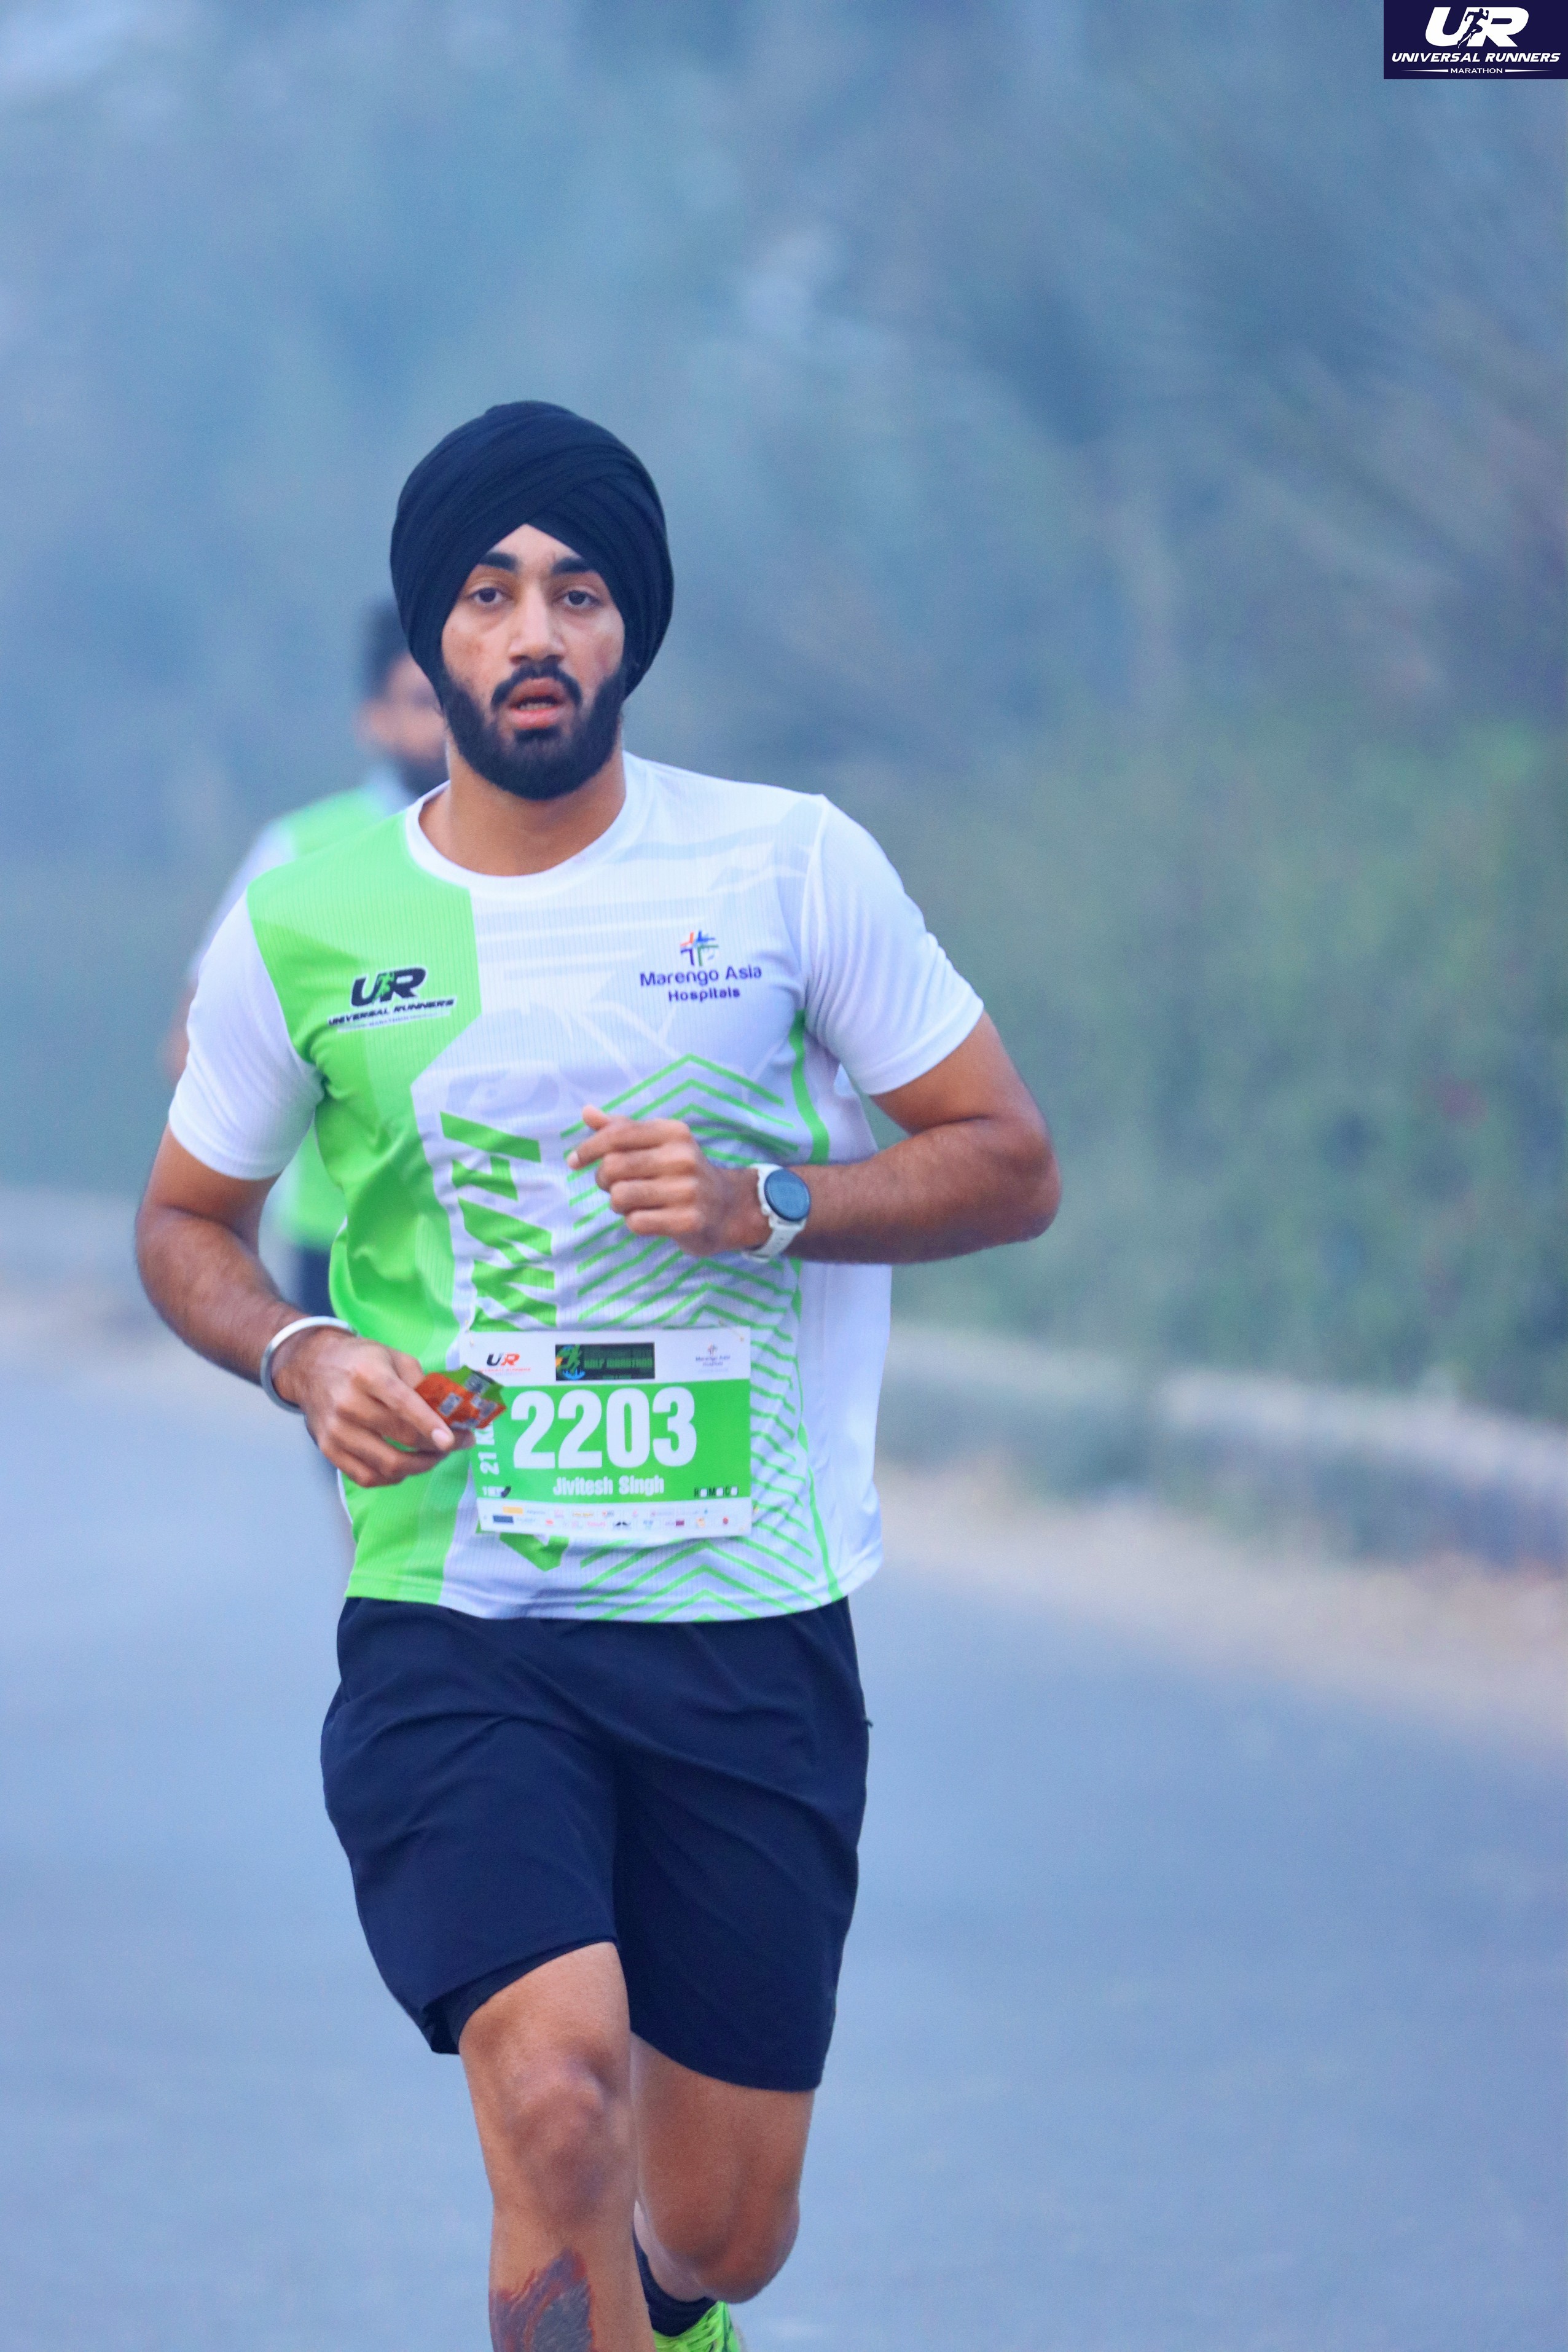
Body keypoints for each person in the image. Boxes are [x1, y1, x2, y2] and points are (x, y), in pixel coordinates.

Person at [136, 401, 1060, 2352]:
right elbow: (184, 1222)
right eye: (486, 595)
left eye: (575, 592)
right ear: (432, 633)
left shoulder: (790, 865)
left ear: (633, 624)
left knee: (720, 2224)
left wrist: (768, 1200)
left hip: (743, 1613)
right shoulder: (309, 916)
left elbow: (1007, 1158)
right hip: (457, 1613)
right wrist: (302, 1351)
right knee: (559, 2099)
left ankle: (677, 2311)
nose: (533, 631)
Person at [162, 602, 449, 1314]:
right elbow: (192, 1045)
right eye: (423, 701)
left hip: (501, 1241)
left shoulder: (537, 852)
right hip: (341, 1236)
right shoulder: (299, 851)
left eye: (457, 695)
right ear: (373, 719)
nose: (445, 722)